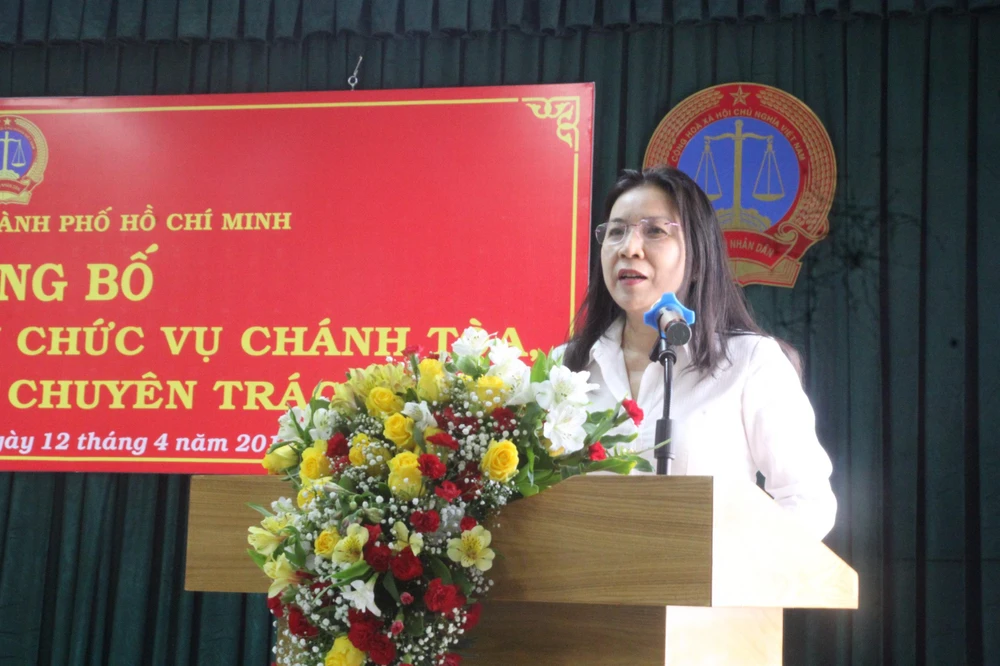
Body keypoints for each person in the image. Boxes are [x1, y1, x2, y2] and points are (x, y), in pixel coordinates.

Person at [562, 166, 837, 540]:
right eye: (616, 231)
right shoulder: (567, 368)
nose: (629, 248)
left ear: (696, 254)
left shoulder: (750, 362)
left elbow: (807, 501)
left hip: (715, 578)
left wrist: (734, 562)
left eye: (655, 231)